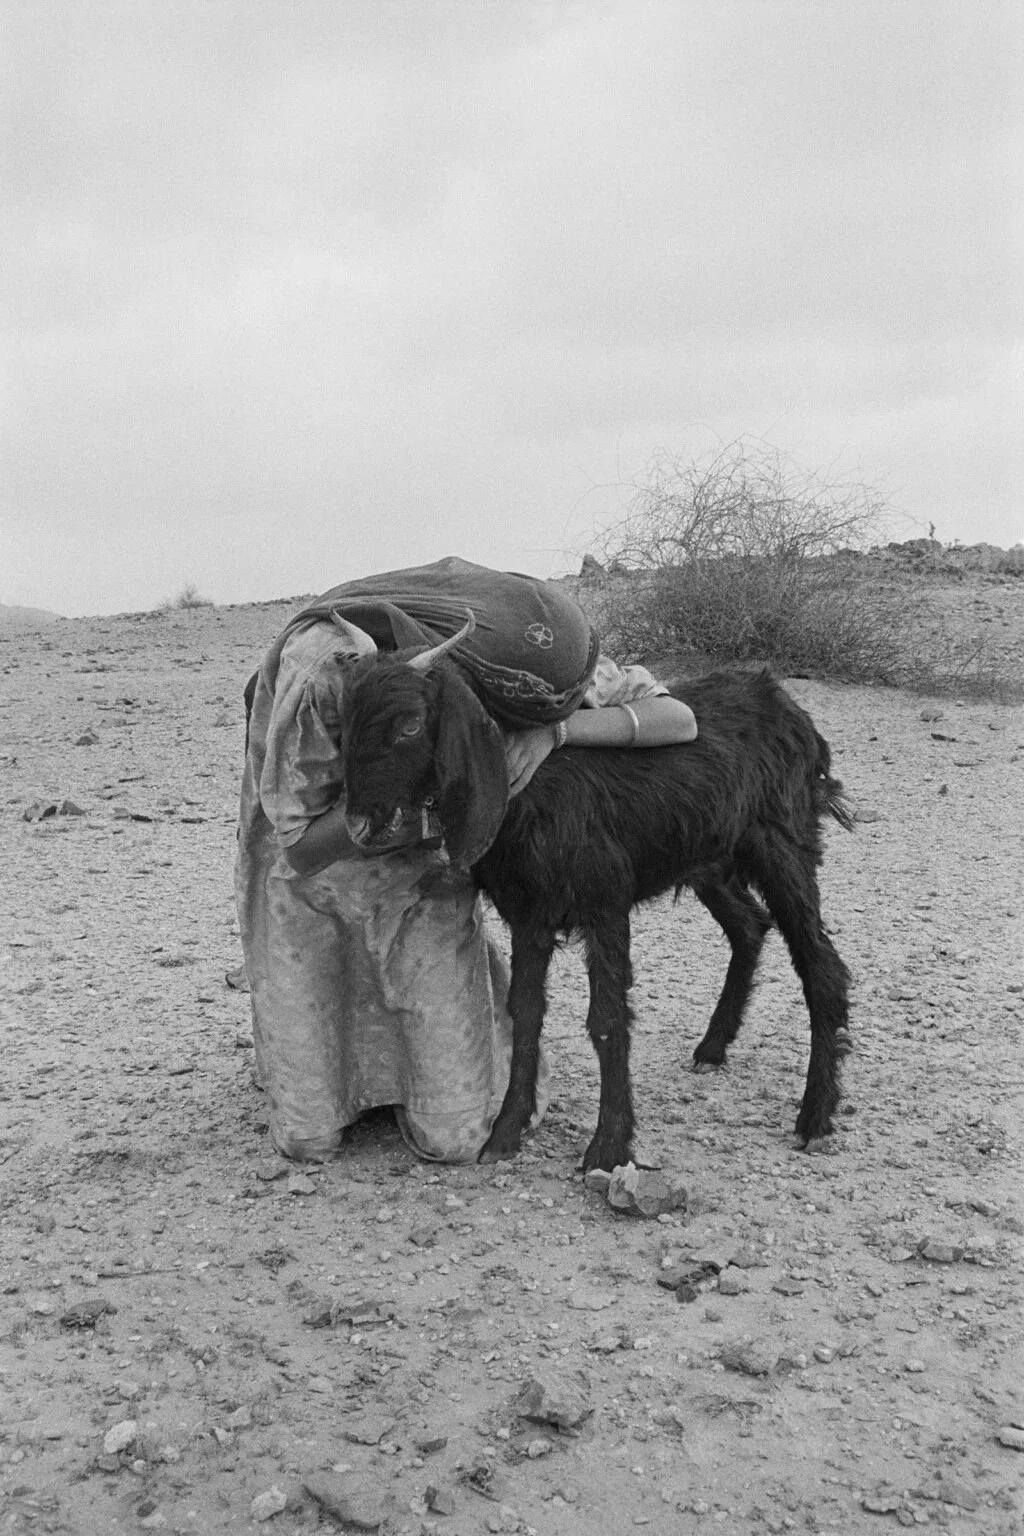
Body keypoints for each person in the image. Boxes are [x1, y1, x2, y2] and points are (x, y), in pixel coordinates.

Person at [236, 557, 697, 1162]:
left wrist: (555, 732)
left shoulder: (518, 670)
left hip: (427, 877)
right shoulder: (325, 674)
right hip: (315, 876)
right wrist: (444, 811)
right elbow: (300, 849)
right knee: (308, 1137)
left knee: (456, 1137)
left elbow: (679, 720)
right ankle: (303, 1066)